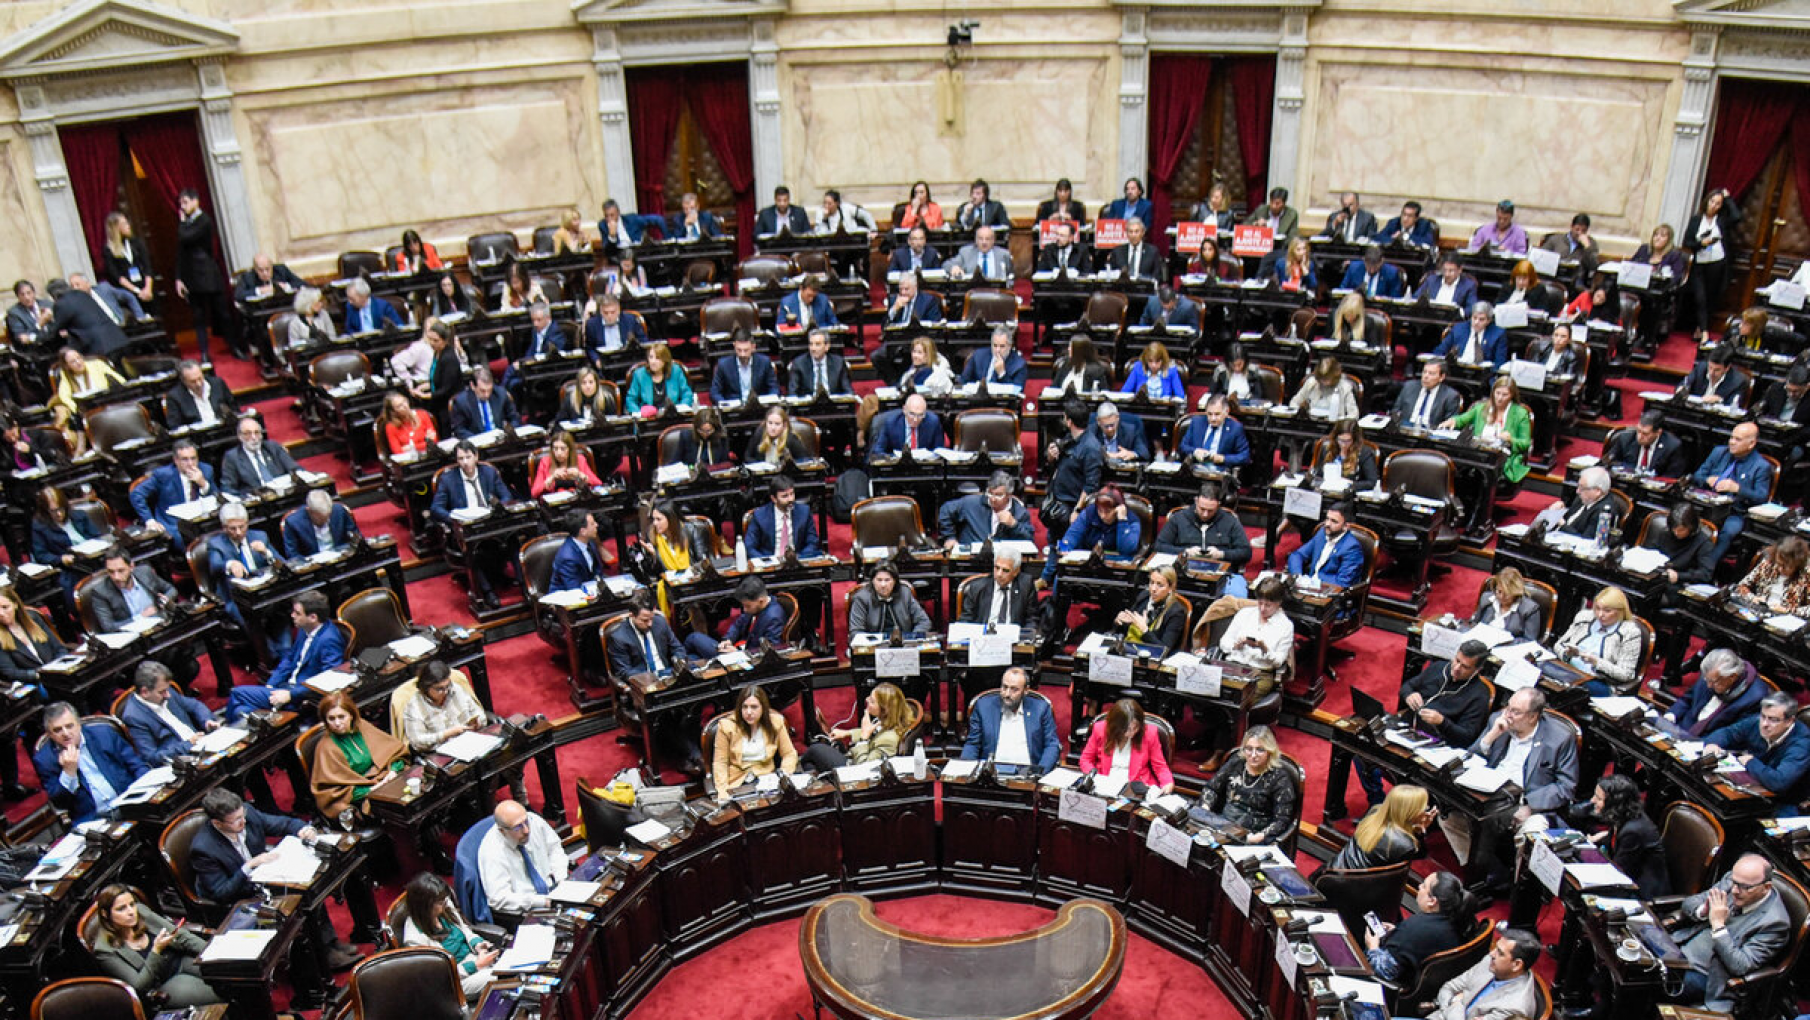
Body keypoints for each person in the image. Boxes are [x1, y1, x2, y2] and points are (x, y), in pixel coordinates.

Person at [1460, 689, 1577, 887]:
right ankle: (1489, 870)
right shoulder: (1498, 720)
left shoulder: (1560, 738)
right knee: (1448, 814)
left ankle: (1518, 889)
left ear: (1532, 717)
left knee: (1532, 834)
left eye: (1515, 711)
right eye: (1508, 707)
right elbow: (1469, 759)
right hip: (1488, 794)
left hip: (1528, 802)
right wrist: (1491, 736)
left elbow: (1566, 787)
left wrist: (1530, 806)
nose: (1507, 715)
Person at [1670, 854, 1789, 1010]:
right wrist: (1703, 910)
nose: (1734, 891)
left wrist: (1718, 925)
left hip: (1706, 976)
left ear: (1766, 887)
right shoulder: (1734, 881)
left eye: (1745, 887)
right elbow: (1690, 902)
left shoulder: (1775, 923)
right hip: (1678, 949)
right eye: (1734, 882)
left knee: (1649, 982)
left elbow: (1740, 965)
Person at [91, 883, 224, 1008]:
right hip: (164, 983)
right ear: (105, 914)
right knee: (218, 995)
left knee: (227, 977)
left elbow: (180, 936)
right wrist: (156, 950)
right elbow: (139, 985)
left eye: (132, 904)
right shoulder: (104, 950)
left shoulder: (141, 912)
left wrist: (212, 950)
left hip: (181, 961)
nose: (131, 911)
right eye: (121, 909)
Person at [225, 591, 346, 721]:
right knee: (240, 711)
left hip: (300, 697)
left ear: (312, 617)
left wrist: (291, 694)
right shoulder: (305, 628)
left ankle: (227, 728)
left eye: (297, 613)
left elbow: (328, 679)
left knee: (237, 693)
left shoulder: (329, 639)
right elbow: (289, 659)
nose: (292, 615)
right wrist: (272, 683)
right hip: (284, 686)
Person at [430, 442, 514, 607]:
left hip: (491, 524)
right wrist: (455, 519)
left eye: (468, 457)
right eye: (460, 459)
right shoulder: (448, 479)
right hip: (466, 529)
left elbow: (506, 497)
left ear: (476, 456)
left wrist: (496, 509)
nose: (465, 462)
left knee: (513, 537)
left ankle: (525, 586)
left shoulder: (488, 472)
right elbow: (436, 509)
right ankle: (487, 592)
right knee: (471, 549)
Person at [34, 701, 144, 823]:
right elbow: (60, 803)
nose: (66, 733)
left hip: (129, 802)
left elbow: (137, 766)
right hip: (93, 819)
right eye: (57, 730)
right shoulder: (45, 759)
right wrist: (69, 772)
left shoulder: (104, 734)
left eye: (69, 726)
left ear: (78, 724)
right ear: (50, 734)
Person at [310, 689, 407, 819]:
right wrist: (373, 789)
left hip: (387, 779)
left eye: (341, 717)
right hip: (364, 795)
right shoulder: (325, 748)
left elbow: (395, 753)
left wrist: (393, 771)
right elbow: (335, 793)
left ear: (351, 715)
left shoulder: (363, 726)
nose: (337, 723)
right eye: (331, 719)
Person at [399, 873, 497, 1001]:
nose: (445, 904)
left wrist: (478, 944)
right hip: (455, 981)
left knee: (507, 968)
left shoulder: (444, 905)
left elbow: (464, 929)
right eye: (440, 902)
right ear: (424, 906)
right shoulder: (414, 939)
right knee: (498, 977)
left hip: (474, 959)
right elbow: (438, 976)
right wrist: (476, 965)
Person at [1363, 872, 1473, 986]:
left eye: (1424, 886)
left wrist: (1373, 947)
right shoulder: (1458, 921)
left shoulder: (1414, 928)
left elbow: (1385, 972)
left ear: (1432, 901)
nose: (1419, 886)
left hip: (1394, 986)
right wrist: (1398, 931)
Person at [1568, 773, 1667, 897]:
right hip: (1626, 878)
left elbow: (1618, 873)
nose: (1592, 800)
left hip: (1643, 894)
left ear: (1614, 804)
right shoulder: (1624, 816)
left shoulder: (1633, 831)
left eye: (1598, 798)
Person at [1692, 421, 1773, 565]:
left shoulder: (1761, 466)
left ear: (1751, 443)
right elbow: (1697, 476)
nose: (1732, 442)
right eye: (1731, 437)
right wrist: (1707, 480)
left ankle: (1706, 566)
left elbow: (1761, 498)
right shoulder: (1719, 452)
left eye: (1738, 439)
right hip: (1707, 503)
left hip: (1736, 511)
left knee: (1728, 531)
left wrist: (1738, 489)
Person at [1198, 726, 1296, 843]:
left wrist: (1257, 838)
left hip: (1253, 835)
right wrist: (1205, 810)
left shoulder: (1280, 778)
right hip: (1223, 825)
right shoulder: (1237, 762)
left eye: (1260, 750)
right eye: (1249, 749)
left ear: (1269, 751)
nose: (1253, 755)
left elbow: (1282, 820)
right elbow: (1212, 788)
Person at [1703, 692, 1810, 798]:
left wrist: (1750, 762)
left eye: (1773, 720)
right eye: (1763, 716)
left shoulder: (1802, 745)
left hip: (1784, 799)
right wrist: (1713, 744)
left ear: (1789, 721)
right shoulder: (1756, 722)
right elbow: (1728, 733)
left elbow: (1779, 782)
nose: (1764, 724)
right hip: (1752, 785)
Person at [1154, 483, 1251, 596]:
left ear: (1218, 505)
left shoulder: (1230, 521)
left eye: (1210, 510)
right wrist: (1185, 552)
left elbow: (1245, 552)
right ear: (1196, 501)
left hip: (1221, 574)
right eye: (1202, 509)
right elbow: (1159, 546)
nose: (1205, 514)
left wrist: (1221, 554)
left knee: (1237, 595)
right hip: (1183, 572)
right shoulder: (1179, 518)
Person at [960, 667, 1060, 774]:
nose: (1007, 694)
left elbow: (1052, 745)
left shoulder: (1041, 709)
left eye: (1014, 689)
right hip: (992, 774)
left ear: (1026, 690)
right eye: (1004, 687)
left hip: (1028, 774)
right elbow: (973, 744)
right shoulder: (983, 707)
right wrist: (965, 771)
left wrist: (1039, 772)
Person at [478, 800, 569, 916]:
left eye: (526, 822)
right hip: (527, 909)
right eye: (518, 828)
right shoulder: (492, 852)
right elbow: (499, 898)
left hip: (554, 890)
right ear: (502, 831)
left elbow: (554, 849)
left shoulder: (534, 820)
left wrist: (561, 879)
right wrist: (543, 901)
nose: (526, 830)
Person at [1040, 485, 1141, 587]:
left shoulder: (1132, 520)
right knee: (1061, 577)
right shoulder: (1089, 513)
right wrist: (1064, 547)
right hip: (1088, 563)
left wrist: (1122, 520)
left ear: (1118, 509)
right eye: (1100, 511)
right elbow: (1072, 535)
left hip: (1116, 567)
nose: (1103, 516)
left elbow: (1127, 549)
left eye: (1108, 511)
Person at [174, 190, 232, 363]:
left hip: (208, 274)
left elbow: (186, 237)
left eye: (185, 202)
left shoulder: (204, 220)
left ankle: (234, 345)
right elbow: (181, 252)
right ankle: (204, 353)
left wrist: (182, 223)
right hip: (191, 277)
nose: (182, 207)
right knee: (198, 317)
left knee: (222, 313)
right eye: (180, 203)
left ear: (195, 201)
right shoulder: (186, 224)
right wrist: (179, 278)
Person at [1430, 930, 1542, 1020]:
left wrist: (1456, 1003)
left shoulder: (1514, 1007)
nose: (1492, 954)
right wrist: (1450, 1007)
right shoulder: (1490, 962)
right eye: (1496, 948)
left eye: (1500, 953)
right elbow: (1449, 987)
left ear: (1517, 965)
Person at [712, 684, 798, 801]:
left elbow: (789, 753)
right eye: (744, 707)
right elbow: (720, 763)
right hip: (738, 783)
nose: (749, 712)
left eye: (754, 707)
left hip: (766, 779)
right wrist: (722, 791)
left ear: (763, 708)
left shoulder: (775, 722)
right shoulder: (726, 726)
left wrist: (784, 775)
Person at [206, 502, 284, 630]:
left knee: (281, 611)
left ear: (247, 523)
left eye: (241, 527)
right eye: (232, 528)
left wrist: (266, 553)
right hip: (237, 599)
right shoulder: (215, 544)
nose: (238, 532)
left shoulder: (260, 536)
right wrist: (230, 564)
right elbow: (215, 566)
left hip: (263, 592)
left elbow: (282, 563)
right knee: (254, 627)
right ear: (224, 527)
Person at [1442, 375, 1532, 486]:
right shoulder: (1481, 407)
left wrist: (1511, 440)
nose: (1500, 398)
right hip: (1478, 452)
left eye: (1505, 395)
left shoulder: (1520, 414)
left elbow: (1525, 443)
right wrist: (1453, 421)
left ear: (1512, 395)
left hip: (1502, 458)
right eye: (1497, 393)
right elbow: (1462, 419)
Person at [802, 682, 911, 772]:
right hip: (856, 760)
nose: (867, 700)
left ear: (885, 709)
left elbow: (865, 769)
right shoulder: (886, 721)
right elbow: (873, 733)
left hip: (856, 771)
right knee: (813, 760)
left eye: (872, 701)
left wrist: (863, 739)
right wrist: (847, 733)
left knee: (814, 750)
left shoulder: (889, 740)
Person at [1555, 587, 1643, 696]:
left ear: (1620, 611)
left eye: (1607, 611)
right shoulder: (1584, 617)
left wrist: (1597, 662)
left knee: (1566, 692)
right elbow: (1559, 644)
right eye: (1597, 608)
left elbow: (1626, 674)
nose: (1600, 614)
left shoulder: (1630, 633)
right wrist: (1566, 653)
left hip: (1597, 681)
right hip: (1569, 670)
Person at [1079, 697, 1174, 793]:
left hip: (1135, 788)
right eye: (1127, 729)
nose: (1132, 732)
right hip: (1105, 784)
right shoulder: (1100, 729)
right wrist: (1094, 777)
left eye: (1136, 727)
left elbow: (1160, 767)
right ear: (1116, 727)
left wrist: (1168, 783)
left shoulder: (1149, 733)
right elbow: (1085, 759)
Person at [131, 440, 215, 548]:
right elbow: (136, 494)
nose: (190, 464)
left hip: (200, 520)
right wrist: (149, 520)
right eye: (185, 459)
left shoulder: (206, 470)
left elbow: (217, 497)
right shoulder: (163, 475)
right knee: (188, 541)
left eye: (193, 458)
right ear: (176, 460)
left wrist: (203, 484)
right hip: (173, 523)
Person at [1329, 784, 1432, 871]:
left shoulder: (1375, 812)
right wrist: (1420, 832)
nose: (1426, 811)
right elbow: (1421, 854)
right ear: (1411, 812)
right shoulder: (1405, 844)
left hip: (1331, 872)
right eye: (1424, 808)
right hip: (1355, 885)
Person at [1666, 648, 1765, 738]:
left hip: (1707, 742)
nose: (1709, 686)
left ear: (1732, 677)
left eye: (1714, 682)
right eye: (1706, 680)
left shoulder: (1755, 698)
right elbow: (1687, 699)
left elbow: (1734, 735)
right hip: (1680, 729)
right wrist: (1672, 715)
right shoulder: (1710, 674)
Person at [1684, 188, 1739, 342]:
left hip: (1717, 263)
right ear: (1706, 201)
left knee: (1710, 298)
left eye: (1718, 203)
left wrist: (1728, 199)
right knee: (1700, 297)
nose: (1714, 205)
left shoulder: (1721, 220)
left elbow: (1737, 217)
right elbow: (1687, 242)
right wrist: (1701, 243)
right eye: (1712, 201)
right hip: (1699, 264)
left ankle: (1700, 328)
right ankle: (1705, 333)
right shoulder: (1696, 220)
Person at [1217, 577, 1293, 687]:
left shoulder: (1285, 626)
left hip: (1260, 673)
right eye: (1260, 603)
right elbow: (1224, 642)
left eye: (1268, 605)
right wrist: (1235, 645)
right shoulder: (1244, 613)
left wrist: (1265, 650)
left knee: (1240, 694)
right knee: (1212, 688)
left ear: (1278, 603)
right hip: (1233, 665)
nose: (1262, 609)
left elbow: (1279, 661)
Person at [1043, 400, 1103, 534]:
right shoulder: (1069, 437)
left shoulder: (1091, 448)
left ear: (1069, 421)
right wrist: (1051, 456)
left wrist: (1078, 510)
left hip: (1072, 507)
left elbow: (1091, 485)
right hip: (1058, 502)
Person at [402, 660, 487, 754]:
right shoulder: (414, 707)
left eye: (447, 686)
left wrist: (478, 723)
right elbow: (417, 742)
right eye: (440, 689)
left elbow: (479, 713)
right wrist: (446, 734)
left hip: (470, 741)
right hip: (441, 753)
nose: (446, 691)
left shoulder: (455, 689)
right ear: (426, 687)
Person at [49, 345, 125, 441]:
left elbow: (120, 381)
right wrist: (76, 408)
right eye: (73, 361)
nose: (78, 362)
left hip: (105, 402)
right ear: (67, 366)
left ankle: (82, 443)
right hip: (85, 410)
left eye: (79, 358)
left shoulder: (97, 364)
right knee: (77, 415)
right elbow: (64, 395)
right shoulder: (65, 375)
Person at [940, 471, 1034, 547]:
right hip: (970, 557)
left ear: (1009, 495)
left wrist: (1013, 524)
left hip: (1002, 559)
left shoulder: (1020, 513)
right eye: (990, 493)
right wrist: (949, 537)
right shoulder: (971, 503)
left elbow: (1029, 540)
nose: (993, 499)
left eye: (999, 495)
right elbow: (945, 510)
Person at [48, 274, 130, 357]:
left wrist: (43, 324)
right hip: (117, 338)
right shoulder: (82, 294)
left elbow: (55, 331)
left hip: (99, 347)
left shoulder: (61, 304)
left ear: (53, 295)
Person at [1114, 565, 1188, 655]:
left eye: (1160, 585)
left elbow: (1164, 650)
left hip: (1150, 657)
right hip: (1127, 649)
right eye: (1152, 582)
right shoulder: (1144, 596)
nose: (1153, 589)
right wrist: (1120, 622)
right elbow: (1125, 632)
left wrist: (1144, 630)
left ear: (1170, 588)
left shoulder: (1176, 612)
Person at [743, 475, 820, 559]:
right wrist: (765, 561)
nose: (790, 499)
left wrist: (800, 558)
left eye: (792, 494)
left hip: (797, 560)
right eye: (785, 496)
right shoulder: (760, 515)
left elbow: (813, 542)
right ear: (774, 499)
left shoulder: (804, 512)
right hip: (770, 562)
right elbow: (749, 547)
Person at [220, 417, 300, 496]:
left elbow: (296, 470)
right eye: (248, 433)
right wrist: (247, 497)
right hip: (257, 499)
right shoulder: (232, 457)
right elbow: (227, 489)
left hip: (284, 494)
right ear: (240, 436)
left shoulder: (273, 447)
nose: (254, 437)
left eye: (257, 432)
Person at [957, 549, 1038, 628]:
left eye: (1005, 570)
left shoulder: (1026, 585)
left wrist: (1025, 635)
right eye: (997, 568)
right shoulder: (977, 587)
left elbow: (1032, 619)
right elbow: (965, 620)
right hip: (984, 634)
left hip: (1014, 635)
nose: (999, 574)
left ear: (1016, 571)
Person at [1287, 504, 1364, 587]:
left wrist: (1313, 581)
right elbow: (1298, 555)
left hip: (1329, 590)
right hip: (1308, 585)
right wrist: (1298, 576)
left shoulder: (1352, 547)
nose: (1327, 524)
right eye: (1327, 519)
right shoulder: (1322, 533)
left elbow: (1343, 582)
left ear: (1346, 526)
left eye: (1334, 521)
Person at [847, 563, 931, 637]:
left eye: (887, 580)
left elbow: (924, 621)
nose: (883, 585)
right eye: (879, 580)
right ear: (872, 581)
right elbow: (856, 632)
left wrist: (912, 637)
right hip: (873, 645)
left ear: (894, 581)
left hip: (904, 643)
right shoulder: (861, 598)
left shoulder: (905, 593)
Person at [1734, 535, 1810, 614]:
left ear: (1797, 564)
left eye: (1786, 566)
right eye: (1779, 564)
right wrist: (1752, 598)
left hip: (1786, 617)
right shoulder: (1769, 564)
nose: (1780, 569)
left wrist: (1787, 610)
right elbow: (1741, 586)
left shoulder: (1806, 575)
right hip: (1759, 611)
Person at [281, 492, 363, 564]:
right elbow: (293, 555)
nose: (326, 520)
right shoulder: (293, 523)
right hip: (314, 567)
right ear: (309, 511)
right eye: (320, 518)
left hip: (342, 559)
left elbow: (355, 537)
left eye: (328, 516)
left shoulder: (339, 511)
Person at [1177, 394, 1252, 471]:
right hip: (1194, 470)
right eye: (1209, 414)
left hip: (1219, 472)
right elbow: (1183, 446)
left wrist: (1223, 458)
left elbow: (1245, 456)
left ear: (1226, 412)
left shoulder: (1235, 428)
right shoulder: (1196, 422)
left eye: (1217, 414)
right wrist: (1195, 451)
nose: (1213, 419)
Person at [99, 213, 154, 317]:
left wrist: (148, 288)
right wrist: (137, 291)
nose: (128, 225)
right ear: (116, 228)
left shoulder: (136, 243)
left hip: (146, 288)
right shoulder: (109, 250)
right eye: (124, 223)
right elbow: (117, 276)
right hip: (129, 292)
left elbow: (148, 267)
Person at [1604, 409, 1688, 477]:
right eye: (1638, 431)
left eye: (1645, 434)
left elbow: (1672, 476)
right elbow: (1610, 462)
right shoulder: (1626, 438)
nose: (1639, 436)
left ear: (1658, 432)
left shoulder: (1672, 446)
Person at [1465, 568, 1542, 640]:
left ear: (1516, 592)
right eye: (1499, 591)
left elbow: (1529, 640)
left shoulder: (1530, 609)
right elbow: (1475, 624)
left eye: (1507, 593)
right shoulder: (1486, 599)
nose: (1502, 596)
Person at [163, 359, 239, 430]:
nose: (198, 384)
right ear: (183, 381)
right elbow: (175, 426)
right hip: (197, 436)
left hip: (223, 429)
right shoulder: (174, 396)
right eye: (193, 381)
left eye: (200, 378)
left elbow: (234, 408)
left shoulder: (218, 384)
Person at [710, 329, 779, 404]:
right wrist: (724, 404)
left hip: (759, 406)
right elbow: (714, 392)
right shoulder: (724, 365)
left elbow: (774, 388)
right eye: (739, 350)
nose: (742, 354)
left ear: (753, 347)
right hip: (734, 408)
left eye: (746, 350)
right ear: (734, 346)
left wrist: (769, 400)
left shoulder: (764, 362)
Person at [719, 576, 788, 652]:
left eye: (747, 606)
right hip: (740, 646)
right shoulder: (754, 606)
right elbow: (738, 624)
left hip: (749, 655)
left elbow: (769, 651)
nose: (744, 610)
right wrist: (728, 639)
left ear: (761, 601)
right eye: (743, 605)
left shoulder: (774, 619)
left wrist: (737, 653)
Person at [871, 393, 946, 461]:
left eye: (920, 415)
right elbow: (878, 451)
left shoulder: (933, 422)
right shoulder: (891, 423)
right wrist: (894, 458)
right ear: (904, 410)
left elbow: (939, 451)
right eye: (912, 414)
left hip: (923, 466)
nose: (915, 419)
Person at [1432, 302, 1508, 369]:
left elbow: (1500, 362)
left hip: (1483, 374)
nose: (1476, 322)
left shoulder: (1498, 333)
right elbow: (1440, 350)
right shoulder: (1459, 328)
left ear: (1489, 321)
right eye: (1474, 318)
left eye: (1481, 319)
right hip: (1457, 369)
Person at [449, 368, 520, 439]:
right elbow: (459, 430)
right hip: (478, 442)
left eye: (489, 390)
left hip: (501, 440)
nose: (487, 395)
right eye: (482, 391)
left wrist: (508, 433)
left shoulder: (501, 394)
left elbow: (514, 418)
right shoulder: (461, 402)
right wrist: (479, 439)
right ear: (472, 386)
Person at [625, 343, 694, 414]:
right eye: (651, 357)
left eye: (657, 358)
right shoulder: (639, 375)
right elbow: (630, 399)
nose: (653, 362)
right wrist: (639, 413)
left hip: (673, 415)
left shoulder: (676, 371)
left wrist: (682, 408)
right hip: (648, 418)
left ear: (665, 360)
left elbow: (687, 393)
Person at [1394, 359, 1463, 429]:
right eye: (1424, 372)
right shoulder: (1409, 387)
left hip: (1431, 433)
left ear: (1442, 377)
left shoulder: (1450, 396)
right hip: (1404, 430)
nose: (1426, 376)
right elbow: (1395, 412)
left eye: (1431, 373)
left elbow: (1449, 425)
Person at [531, 430, 602, 498]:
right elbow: (534, 492)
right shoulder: (545, 462)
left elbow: (598, 484)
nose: (559, 453)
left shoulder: (580, 459)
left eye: (563, 449)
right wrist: (551, 478)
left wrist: (580, 475)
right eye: (555, 448)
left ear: (570, 449)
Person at [1312, 420, 1379, 486]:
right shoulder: (1327, 448)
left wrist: (1351, 484)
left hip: (1350, 491)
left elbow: (1371, 482)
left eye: (1348, 441)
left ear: (1355, 440)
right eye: (1341, 440)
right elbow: (1319, 475)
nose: (1344, 445)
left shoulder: (1365, 453)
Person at [1290, 356, 1359, 420]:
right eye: (1321, 378)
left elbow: (1354, 414)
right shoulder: (1311, 383)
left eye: (1326, 378)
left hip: (1335, 424)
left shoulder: (1344, 387)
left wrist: (1341, 421)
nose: (1323, 381)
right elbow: (1294, 403)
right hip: (1312, 422)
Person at [788, 328, 853, 396]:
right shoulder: (799, 364)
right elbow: (792, 394)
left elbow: (848, 392)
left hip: (832, 401)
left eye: (817, 344)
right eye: (811, 344)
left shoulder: (838, 363)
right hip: (809, 402)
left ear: (827, 346)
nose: (813, 348)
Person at [960, 325, 1029, 389]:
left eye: (1002, 346)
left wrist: (1002, 374)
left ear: (1010, 346)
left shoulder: (1019, 365)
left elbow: (1017, 391)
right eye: (995, 345)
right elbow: (963, 381)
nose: (997, 350)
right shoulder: (978, 355)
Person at [583, 294, 648, 361]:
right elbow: (589, 348)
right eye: (606, 313)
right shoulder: (592, 325)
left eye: (612, 312)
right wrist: (596, 360)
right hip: (604, 360)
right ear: (601, 311)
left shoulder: (630, 320)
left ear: (618, 310)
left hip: (627, 358)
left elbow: (643, 341)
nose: (609, 316)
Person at [1680, 344, 1749, 406]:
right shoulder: (1701, 368)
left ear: (1727, 368)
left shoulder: (1738, 382)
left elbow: (1734, 405)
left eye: (1717, 370)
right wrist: (1681, 389)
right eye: (1710, 367)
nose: (1711, 373)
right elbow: (1685, 383)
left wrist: (1719, 400)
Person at [744, 405, 810, 467]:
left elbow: (805, 461)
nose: (773, 428)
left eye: (777, 424)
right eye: (770, 423)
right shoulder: (759, 433)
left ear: (784, 425)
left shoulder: (791, 439)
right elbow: (747, 457)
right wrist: (761, 466)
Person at [1121, 341, 1186, 400]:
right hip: (1142, 407)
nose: (1153, 365)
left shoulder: (1171, 370)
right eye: (1150, 361)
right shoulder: (1138, 368)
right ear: (1146, 360)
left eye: (1157, 361)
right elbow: (1124, 392)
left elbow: (1180, 396)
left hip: (1163, 408)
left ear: (1163, 360)